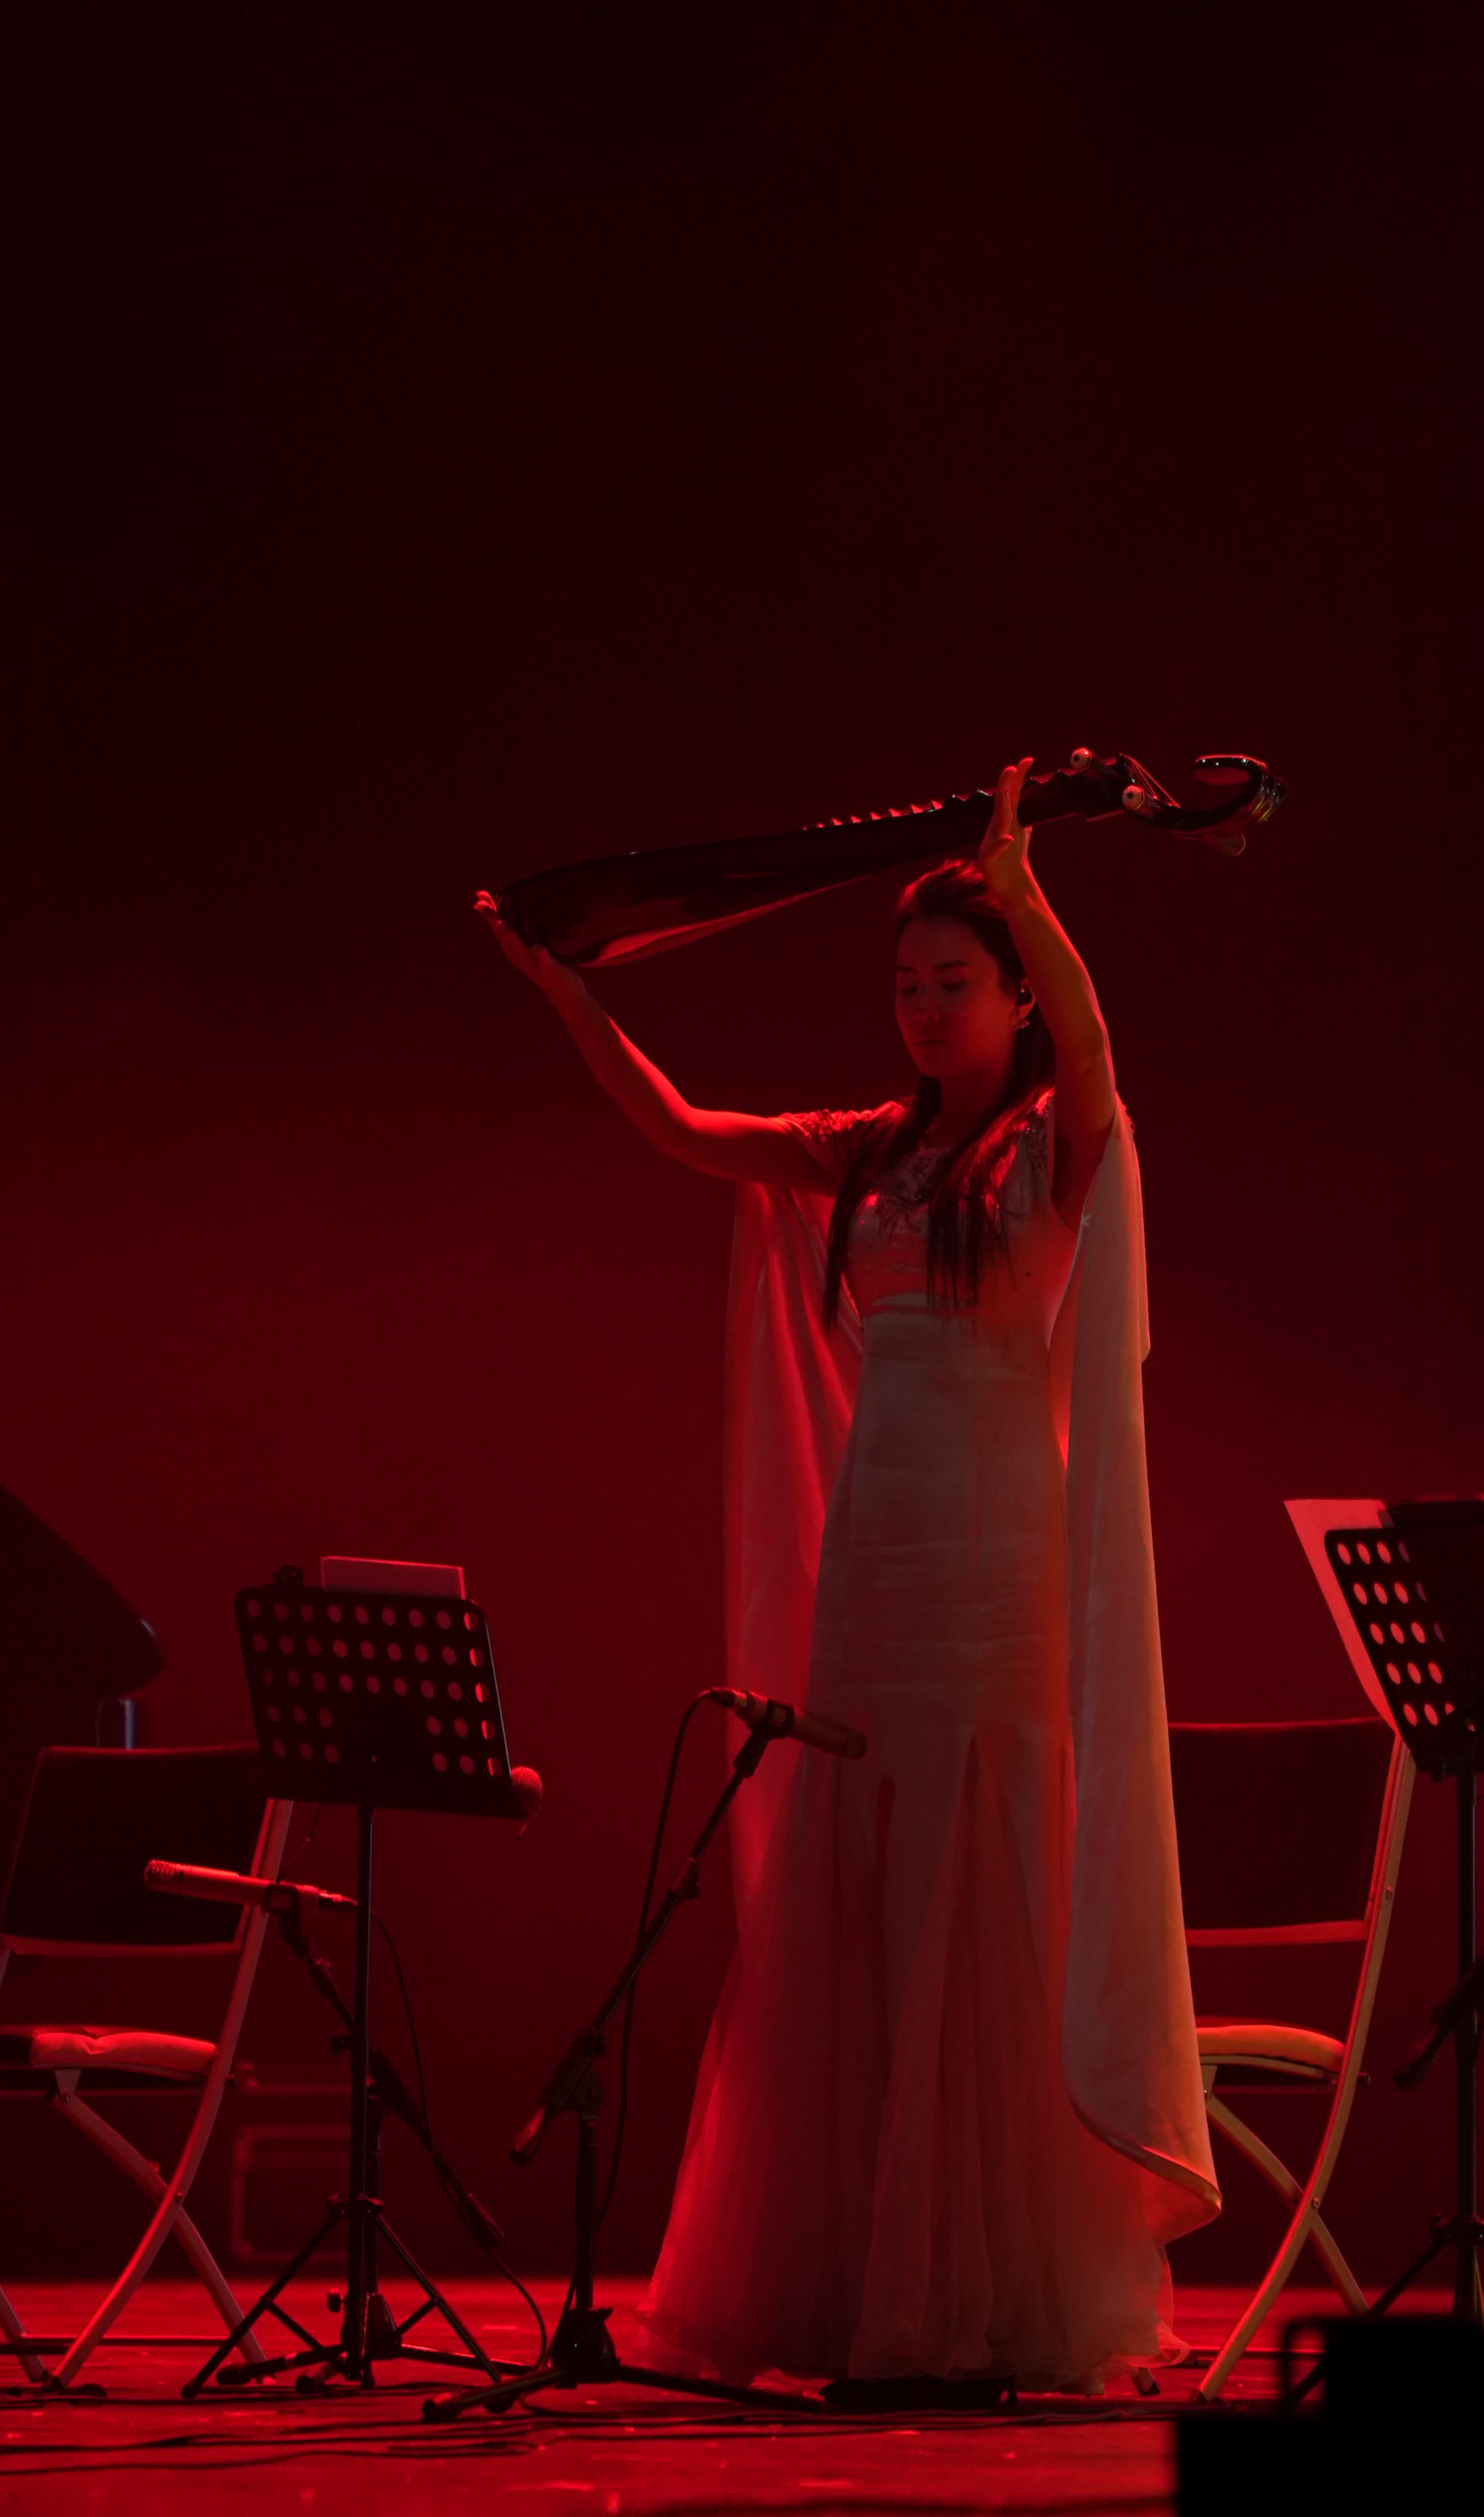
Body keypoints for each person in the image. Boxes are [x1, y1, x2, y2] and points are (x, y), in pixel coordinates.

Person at [476, 759, 1218, 2397]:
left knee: (980, 1861)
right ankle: (848, 2284)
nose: (927, 1009)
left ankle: (976, 2294)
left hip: (1000, 1564)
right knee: (859, 1862)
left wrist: (1026, 893)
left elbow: (1099, 1053)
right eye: (908, 986)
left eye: (957, 982)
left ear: (1014, 998)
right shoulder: (870, 1153)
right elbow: (686, 1132)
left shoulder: (1055, 1142)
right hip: (878, 1556)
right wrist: (569, 996)